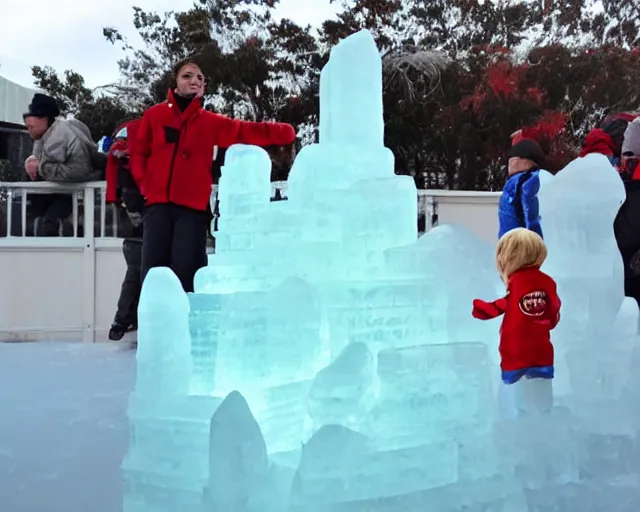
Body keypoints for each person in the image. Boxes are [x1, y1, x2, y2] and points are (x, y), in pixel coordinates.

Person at [131, 58, 296, 292]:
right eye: (187, 76)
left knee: (187, 273)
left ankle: (188, 326)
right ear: (175, 82)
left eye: (200, 78)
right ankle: (153, 325)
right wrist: (146, 188)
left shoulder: (210, 122)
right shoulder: (154, 116)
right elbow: (138, 154)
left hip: (192, 211)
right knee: (153, 274)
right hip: (158, 207)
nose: (195, 81)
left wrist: (281, 132)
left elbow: (243, 131)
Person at [472, 228, 561, 385]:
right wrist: (548, 322)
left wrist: (479, 307)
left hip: (515, 355)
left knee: (515, 401)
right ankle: (543, 409)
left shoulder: (516, 282)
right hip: (542, 354)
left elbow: (502, 305)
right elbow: (553, 309)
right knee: (542, 397)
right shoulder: (548, 282)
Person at [23, 93, 102, 236]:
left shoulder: (63, 133)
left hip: (70, 192)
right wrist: (32, 161)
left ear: (44, 118)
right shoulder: (45, 134)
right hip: (57, 190)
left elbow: (79, 170)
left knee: (48, 225)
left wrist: (40, 168)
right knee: (35, 223)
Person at [105, 119, 145, 340]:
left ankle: (123, 320)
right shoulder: (133, 162)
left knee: (135, 271)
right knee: (142, 270)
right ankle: (126, 320)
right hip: (141, 220)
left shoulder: (121, 160)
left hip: (133, 221)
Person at [498, 138, 545, 239]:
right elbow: (529, 213)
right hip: (522, 245)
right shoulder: (529, 179)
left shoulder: (511, 184)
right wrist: (537, 240)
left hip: (507, 242)